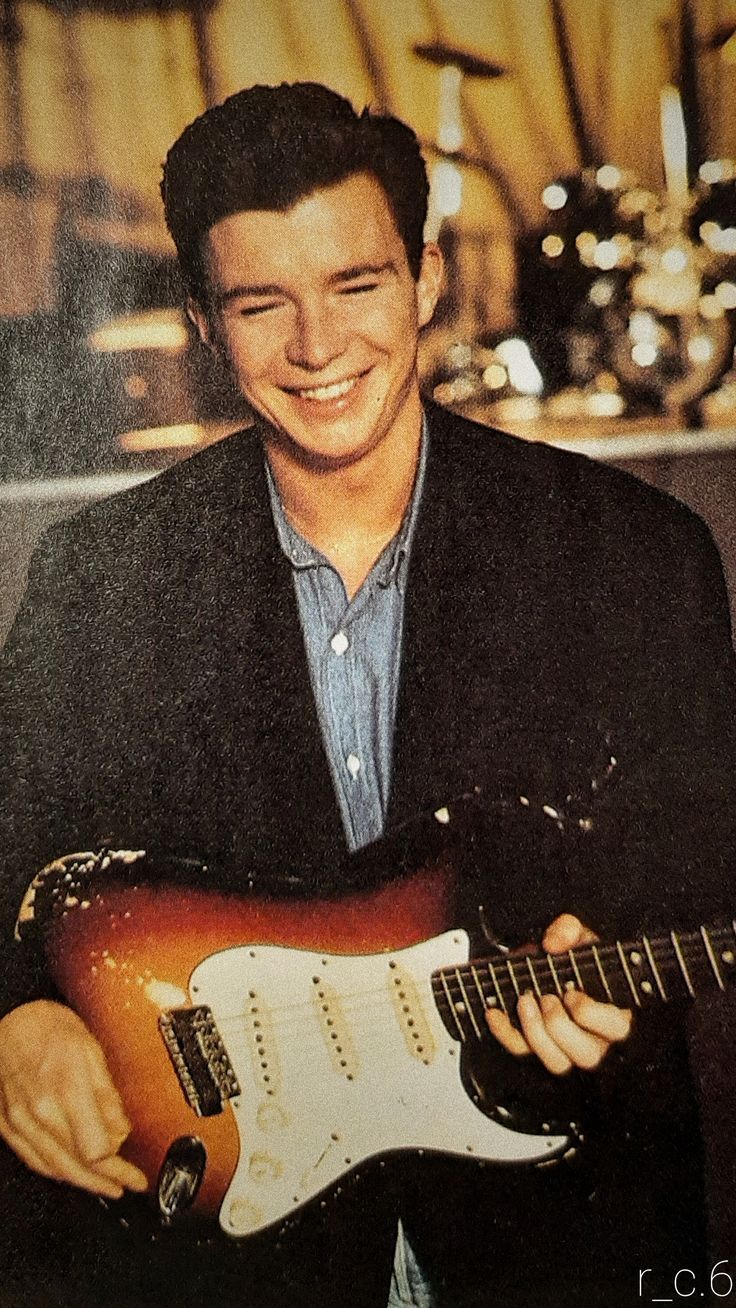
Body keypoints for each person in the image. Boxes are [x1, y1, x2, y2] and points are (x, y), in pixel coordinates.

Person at [0, 82, 734, 1307]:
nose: (317, 347)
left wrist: (597, 945)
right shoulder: (100, 581)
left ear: (425, 280)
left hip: (556, 1240)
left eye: (356, 286)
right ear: (200, 322)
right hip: (225, 1266)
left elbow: (704, 850)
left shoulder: (632, 554)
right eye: (259, 304)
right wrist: (14, 1016)